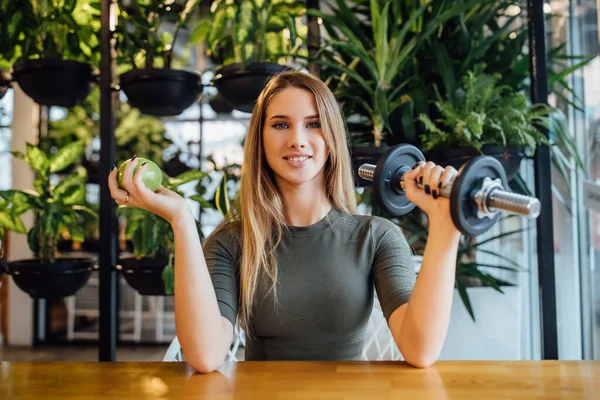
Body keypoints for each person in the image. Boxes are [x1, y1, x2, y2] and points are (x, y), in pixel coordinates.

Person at [108, 71, 461, 372]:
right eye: (280, 124)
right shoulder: (232, 243)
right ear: (260, 140)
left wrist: (445, 228)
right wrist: (181, 220)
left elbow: (420, 349)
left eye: (314, 124)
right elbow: (205, 355)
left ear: (332, 139)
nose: (297, 140)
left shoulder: (377, 237)